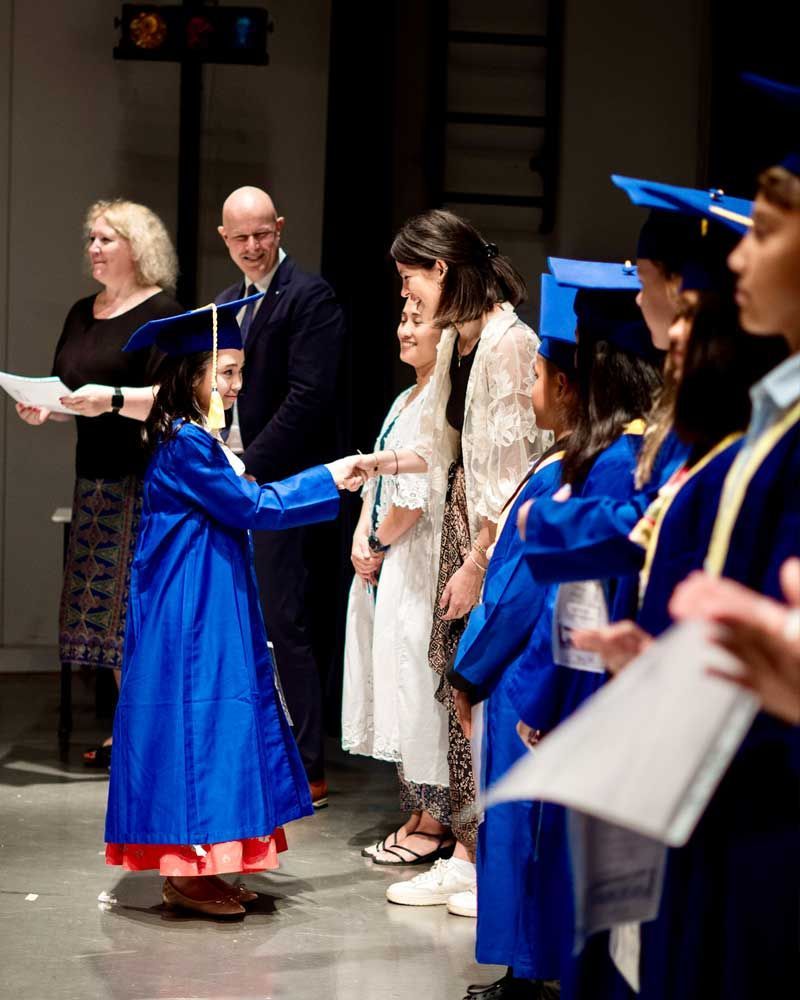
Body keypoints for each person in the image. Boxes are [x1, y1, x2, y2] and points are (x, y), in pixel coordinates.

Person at [104, 297, 363, 917]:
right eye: (224, 373)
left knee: (217, 724)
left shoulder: (196, 438)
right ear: (189, 376)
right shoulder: (187, 443)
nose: (236, 385)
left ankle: (207, 869)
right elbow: (250, 506)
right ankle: (187, 873)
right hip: (189, 608)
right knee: (198, 726)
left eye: (239, 372)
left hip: (208, 595)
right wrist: (329, 476)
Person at [358, 209, 548, 912]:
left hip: (494, 535)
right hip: (463, 521)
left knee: (481, 681)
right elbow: (443, 446)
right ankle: (468, 851)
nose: (408, 298)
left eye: (412, 280)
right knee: (454, 682)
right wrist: (376, 462)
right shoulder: (460, 341)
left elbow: (515, 467)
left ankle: (487, 855)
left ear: (441, 271)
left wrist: (475, 563)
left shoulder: (505, 341)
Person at [447, 273, 580, 998]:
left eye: (536, 375)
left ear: (567, 386)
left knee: (529, 833)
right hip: (517, 667)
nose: (529, 389)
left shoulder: (584, 469)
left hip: (531, 668)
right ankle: (523, 970)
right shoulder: (561, 459)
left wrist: (469, 671)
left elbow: (528, 584)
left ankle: (532, 974)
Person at [15, 199, 182, 766]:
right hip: (94, 483)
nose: (93, 248)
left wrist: (108, 400)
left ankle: (148, 735)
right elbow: (72, 393)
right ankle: (130, 728)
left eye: (106, 239)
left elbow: (174, 399)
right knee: (103, 616)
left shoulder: (162, 312)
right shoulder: (82, 312)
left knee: (135, 610)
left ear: (137, 247)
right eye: (91, 238)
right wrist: (49, 410)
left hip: (145, 481)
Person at [215, 185, 347, 806]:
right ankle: (257, 758)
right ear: (224, 239)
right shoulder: (221, 305)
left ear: (280, 226)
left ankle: (306, 765)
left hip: (278, 484)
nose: (252, 246)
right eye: (239, 237)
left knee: (284, 620)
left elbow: (308, 399)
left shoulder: (309, 297)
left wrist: (249, 466)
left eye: (261, 234)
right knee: (241, 621)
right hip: (230, 480)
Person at [341, 304, 452, 864]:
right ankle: (415, 810)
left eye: (419, 320)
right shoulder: (404, 397)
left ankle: (436, 819)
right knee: (396, 676)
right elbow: (373, 485)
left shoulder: (441, 398)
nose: (405, 329)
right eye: (402, 318)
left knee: (417, 676)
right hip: (389, 555)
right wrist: (363, 534)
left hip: (417, 557)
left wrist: (379, 544)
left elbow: (418, 491)